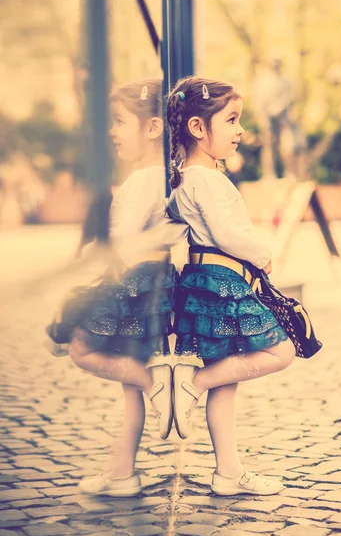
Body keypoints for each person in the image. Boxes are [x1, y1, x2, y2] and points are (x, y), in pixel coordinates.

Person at [47, 78, 185, 497]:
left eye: (119, 121)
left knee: (80, 349)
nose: (112, 131)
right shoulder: (159, 177)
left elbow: (120, 243)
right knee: (127, 385)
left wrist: (94, 252)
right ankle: (122, 473)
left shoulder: (144, 178)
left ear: (154, 127)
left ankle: (155, 383)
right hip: (149, 285)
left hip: (132, 285)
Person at [166, 76, 296, 496]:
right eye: (232, 120)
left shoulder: (190, 177)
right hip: (223, 284)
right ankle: (191, 384)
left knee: (226, 380)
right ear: (198, 129)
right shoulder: (205, 178)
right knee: (281, 350)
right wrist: (263, 256)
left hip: (207, 283)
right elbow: (226, 233)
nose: (240, 130)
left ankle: (228, 472)